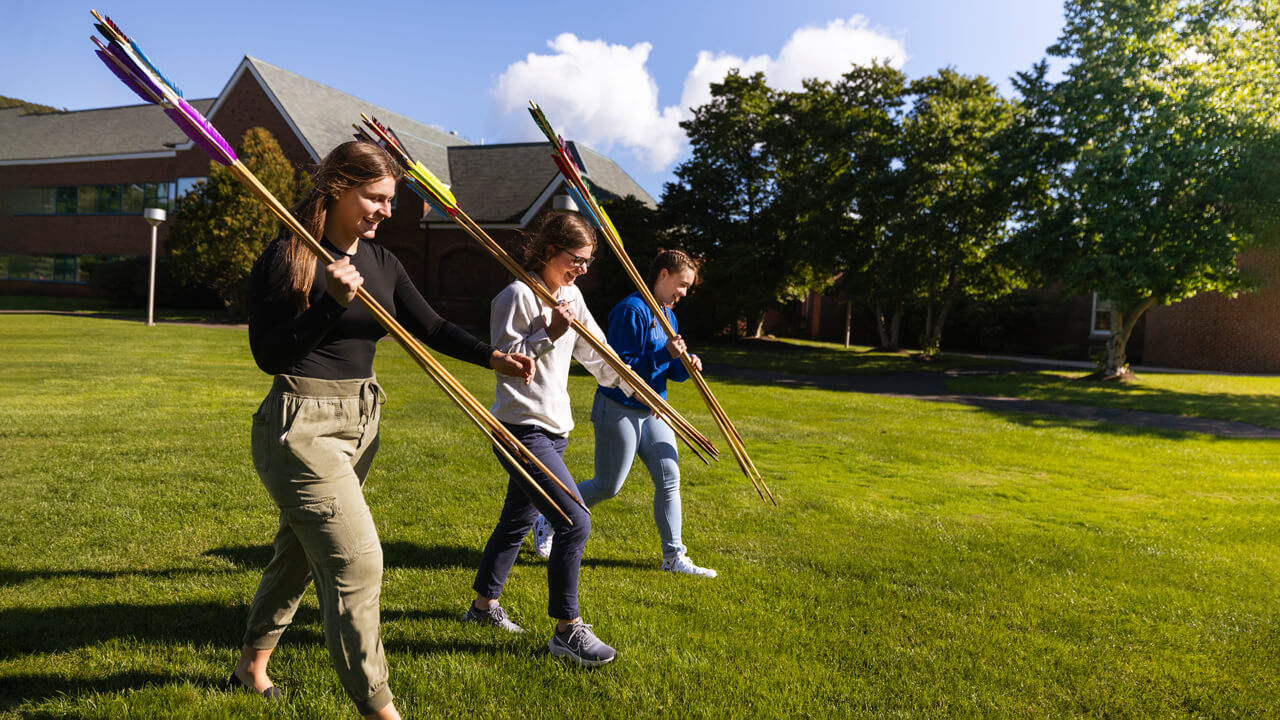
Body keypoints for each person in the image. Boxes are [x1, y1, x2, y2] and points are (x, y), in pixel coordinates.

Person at [232, 140, 533, 718]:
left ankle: (252, 664)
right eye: (376, 197)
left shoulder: (381, 261)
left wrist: (491, 356)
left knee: (297, 552)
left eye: (390, 200)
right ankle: (380, 709)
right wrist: (328, 304)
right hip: (300, 427)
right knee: (357, 562)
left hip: (360, 421)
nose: (386, 211)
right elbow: (269, 355)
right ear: (339, 188)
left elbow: (431, 325)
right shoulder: (289, 256)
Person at [464, 212, 629, 667]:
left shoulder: (571, 294)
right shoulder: (515, 295)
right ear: (549, 251)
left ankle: (482, 609)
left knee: (517, 521)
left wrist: (632, 385)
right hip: (520, 429)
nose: (582, 269)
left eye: (588, 262)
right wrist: (547, 333)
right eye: (577, 259)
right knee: (574, 521)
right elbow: (508, 362)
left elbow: (595, 349)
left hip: (555, 430)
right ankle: (567, 631)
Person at [531, 250, 716, 578]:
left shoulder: (667, 315)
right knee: (608, 484)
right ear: (662, 275)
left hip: (655, 410)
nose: (684, 292)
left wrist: (687, 364)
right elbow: (621, 368)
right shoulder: (631, 310)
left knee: (669, 479)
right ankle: (547, 516)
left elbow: (668, 369)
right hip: (618, 407)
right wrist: (664, 353)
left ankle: (674, 556)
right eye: (682, 284)